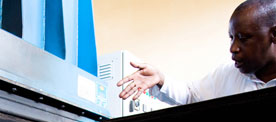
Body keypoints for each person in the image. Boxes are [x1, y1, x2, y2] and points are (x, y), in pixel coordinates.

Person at [117, 0, 276, 105]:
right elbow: (190, 96)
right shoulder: (228, 74)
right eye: (232, 38)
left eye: (243, 38)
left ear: (273, 35)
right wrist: (160, 79)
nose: (233, 48)